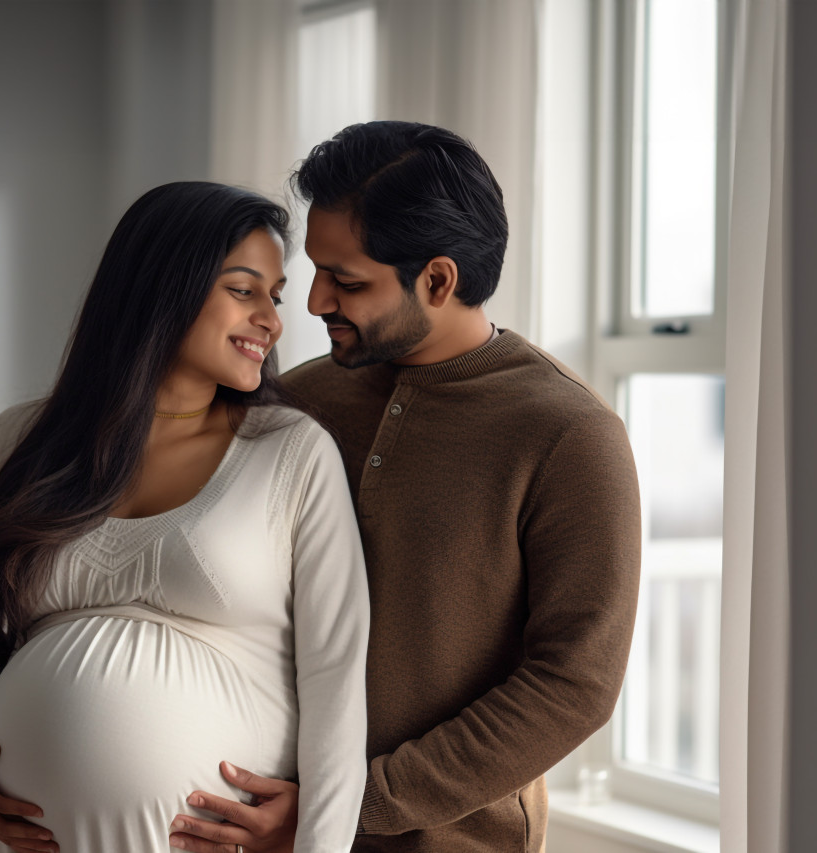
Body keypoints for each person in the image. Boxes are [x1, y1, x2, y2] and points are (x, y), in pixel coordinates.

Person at [167, 122, 641, 853]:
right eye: (317, 271)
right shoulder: (294, 400)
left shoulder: (572, 436)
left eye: (347, 280)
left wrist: (348, 804)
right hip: (253, 827)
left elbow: (573, 685)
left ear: (439, 280)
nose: (315, 299)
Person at [0, 182, 370, 853]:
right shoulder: (19, 442)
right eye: (244, 290)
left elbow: (336, 684)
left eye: (273, 297)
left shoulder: (291, 452)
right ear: (164, 284)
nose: (272, 320)